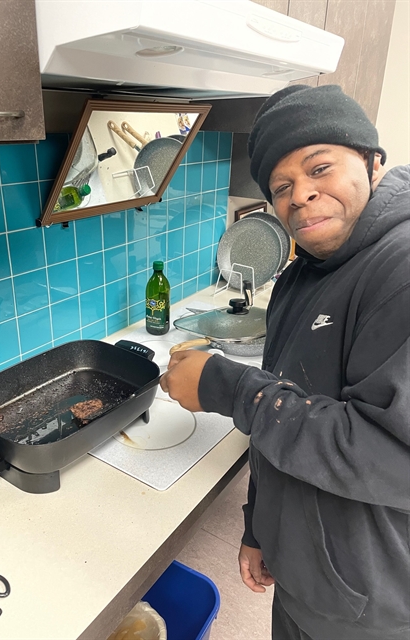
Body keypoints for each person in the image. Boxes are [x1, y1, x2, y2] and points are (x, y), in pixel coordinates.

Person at [160, 84, 410, 640]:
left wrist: (229, 387)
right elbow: (287, 409)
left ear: (372, 163)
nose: (301, 196)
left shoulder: (400, 269)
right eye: (282, 186)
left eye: (320, 169)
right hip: (308, 576)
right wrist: (260, 529)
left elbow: (394, 455)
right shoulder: (301, 275)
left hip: (368, 604)